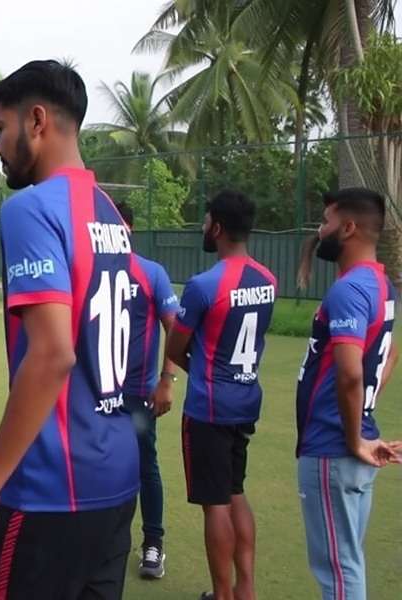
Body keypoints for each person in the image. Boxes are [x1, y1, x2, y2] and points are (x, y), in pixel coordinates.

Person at [0, 59, 138, 600]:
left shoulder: (30, 209)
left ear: (36, 120)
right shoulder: (110, 214)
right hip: (115, 481)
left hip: (50, 488)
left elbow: (54, 353)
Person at [164, 190, 277, 600]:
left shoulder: (203, 285)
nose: (203, 226)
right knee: (235, 491)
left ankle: (223, 595)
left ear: (217, 227)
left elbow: (175, 348)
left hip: (209, 409)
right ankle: (245, 590)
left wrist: (202, 371)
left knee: (215, 504)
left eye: (206, 219)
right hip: (246, 402)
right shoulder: (268, 280)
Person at [295, 188, 399, 600]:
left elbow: (352, 374)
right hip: (350, 446)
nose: (321, 231)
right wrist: (364, 418)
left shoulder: (349, 290)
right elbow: (389, 356)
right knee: (348, 565)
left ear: (349, 227)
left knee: (338, 572)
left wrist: (354, 437)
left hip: (333, 448)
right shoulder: (382, 285)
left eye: (327, 222)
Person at [115, 202, 180, 579]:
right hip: (97, 393)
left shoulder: (150, 272)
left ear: (130, 229)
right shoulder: (88, 270)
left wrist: (167, 379)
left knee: (144, 465)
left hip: (138, 392)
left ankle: (153, 543)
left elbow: (175, 328)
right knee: (97, 464)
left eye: (120, 225)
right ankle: (106, 540)